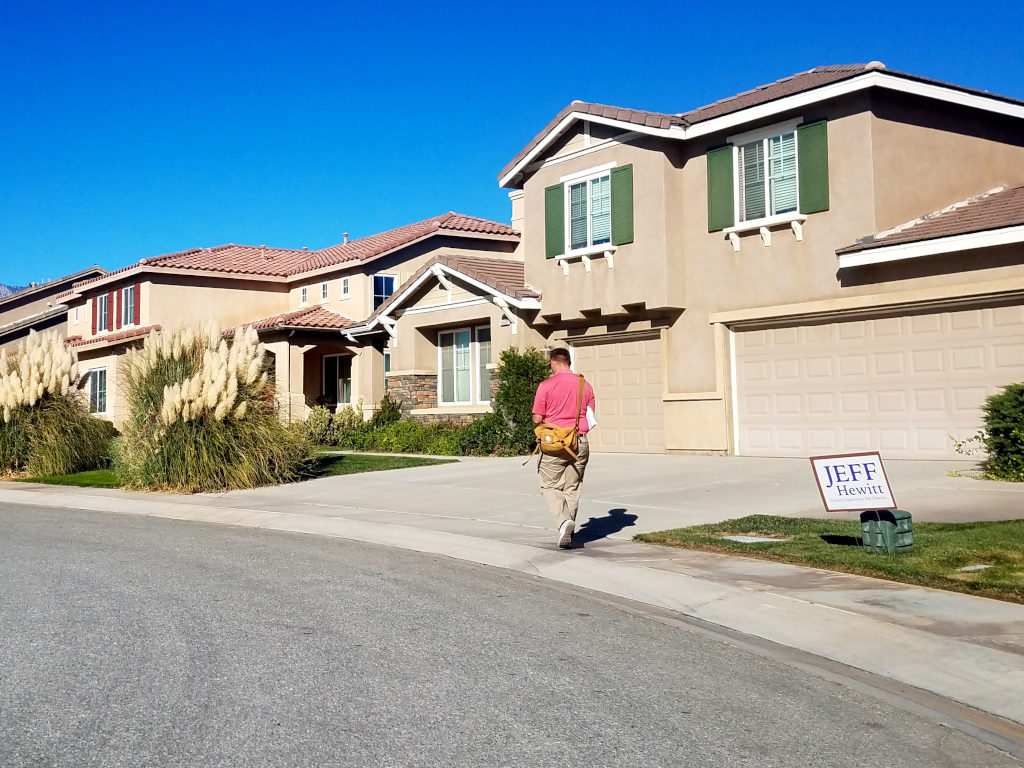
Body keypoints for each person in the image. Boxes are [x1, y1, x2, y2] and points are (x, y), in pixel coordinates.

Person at [532, 347, 596, 548]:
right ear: (569, 361)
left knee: (549, 485)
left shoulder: (546, 385)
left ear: (553, 361)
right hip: (579, 441)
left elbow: (537, 418)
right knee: (572, 487)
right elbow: (590, 415)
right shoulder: (585, 385)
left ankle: (563, 522)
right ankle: (567, 531)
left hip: (555, 443)